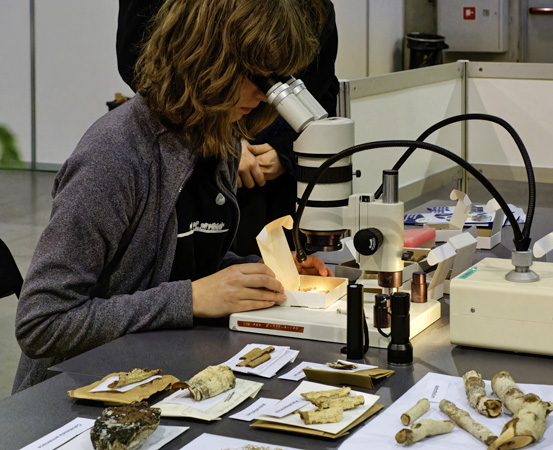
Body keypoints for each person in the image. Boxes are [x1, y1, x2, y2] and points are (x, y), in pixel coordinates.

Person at [13, 0, 333, 393]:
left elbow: (176, 257)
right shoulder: (114, 155)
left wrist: (268, 276)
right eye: (260, 78)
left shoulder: (220, 137)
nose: (267, 97)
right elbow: (42, 323)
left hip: (159, 376)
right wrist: (191, 298)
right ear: (212, 61)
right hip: (75, 396)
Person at [116, 0, 340, 256]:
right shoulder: (114, 155)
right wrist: (221, 135)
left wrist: (286, 153)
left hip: (270, 181)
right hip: (196, 148)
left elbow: (321, 92)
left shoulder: (316, 9)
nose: (265, 96)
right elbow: (142, 64)